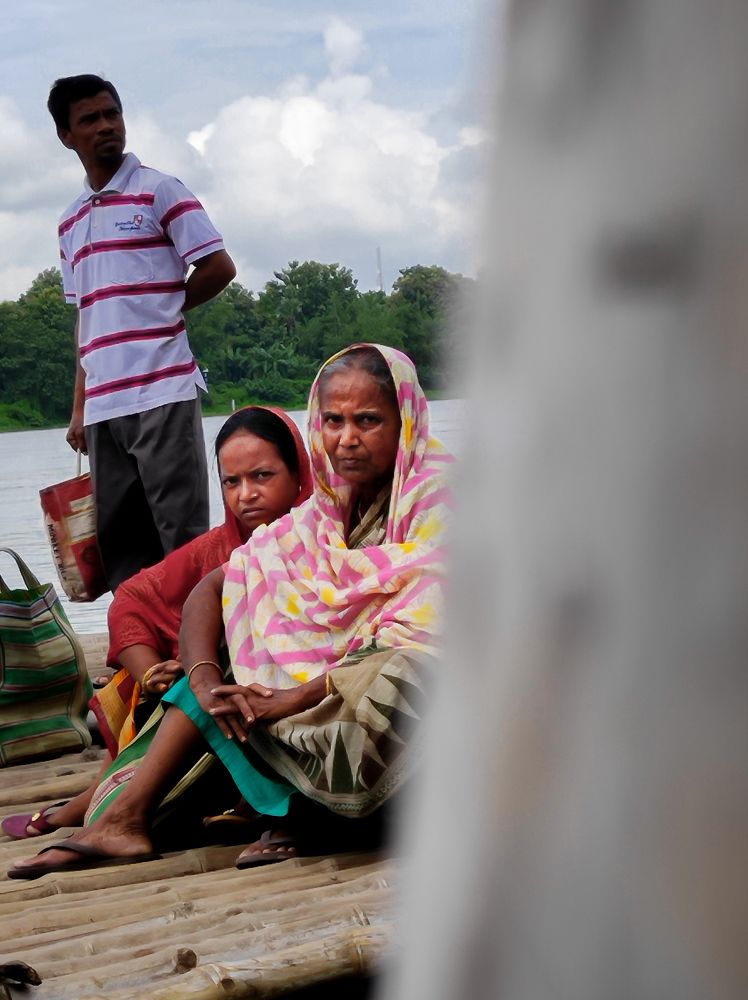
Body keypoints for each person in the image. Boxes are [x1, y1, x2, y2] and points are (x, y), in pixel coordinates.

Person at [9, 344, 452, 878]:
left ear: (405, 419)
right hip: (314, 691)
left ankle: (304, 813)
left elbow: (428, 628)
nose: (346, 439)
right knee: (237, 644)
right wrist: (204, 680)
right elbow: (213, 588)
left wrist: (292, 696)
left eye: (368, 421)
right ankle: (124, 818)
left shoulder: (439, 495)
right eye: (332, 421)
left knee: (398, 670)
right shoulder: (330, 506)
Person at [1, 407, 312, 841]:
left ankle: (98, 804)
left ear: (300, 474)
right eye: (231, 482)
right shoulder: (215, 549)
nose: (246, 495)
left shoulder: (325, 543)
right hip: (209, 698)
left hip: (279, 702)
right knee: (168, 692)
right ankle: (101, 804)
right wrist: (150, 671)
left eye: (262, 476)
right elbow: (130, 600)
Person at [48, 74, 237, 590]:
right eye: (90, 119)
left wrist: (165, 307)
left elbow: (218, 267)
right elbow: (86, 317)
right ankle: (143, 662)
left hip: (161, 389)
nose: (106, 126)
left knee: (183, 536)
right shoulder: (69, 223)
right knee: (122, 548)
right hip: (105, 407)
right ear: (67, 136)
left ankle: (200, 661)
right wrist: (79, 407)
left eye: (112, 114)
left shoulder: (160, 190)